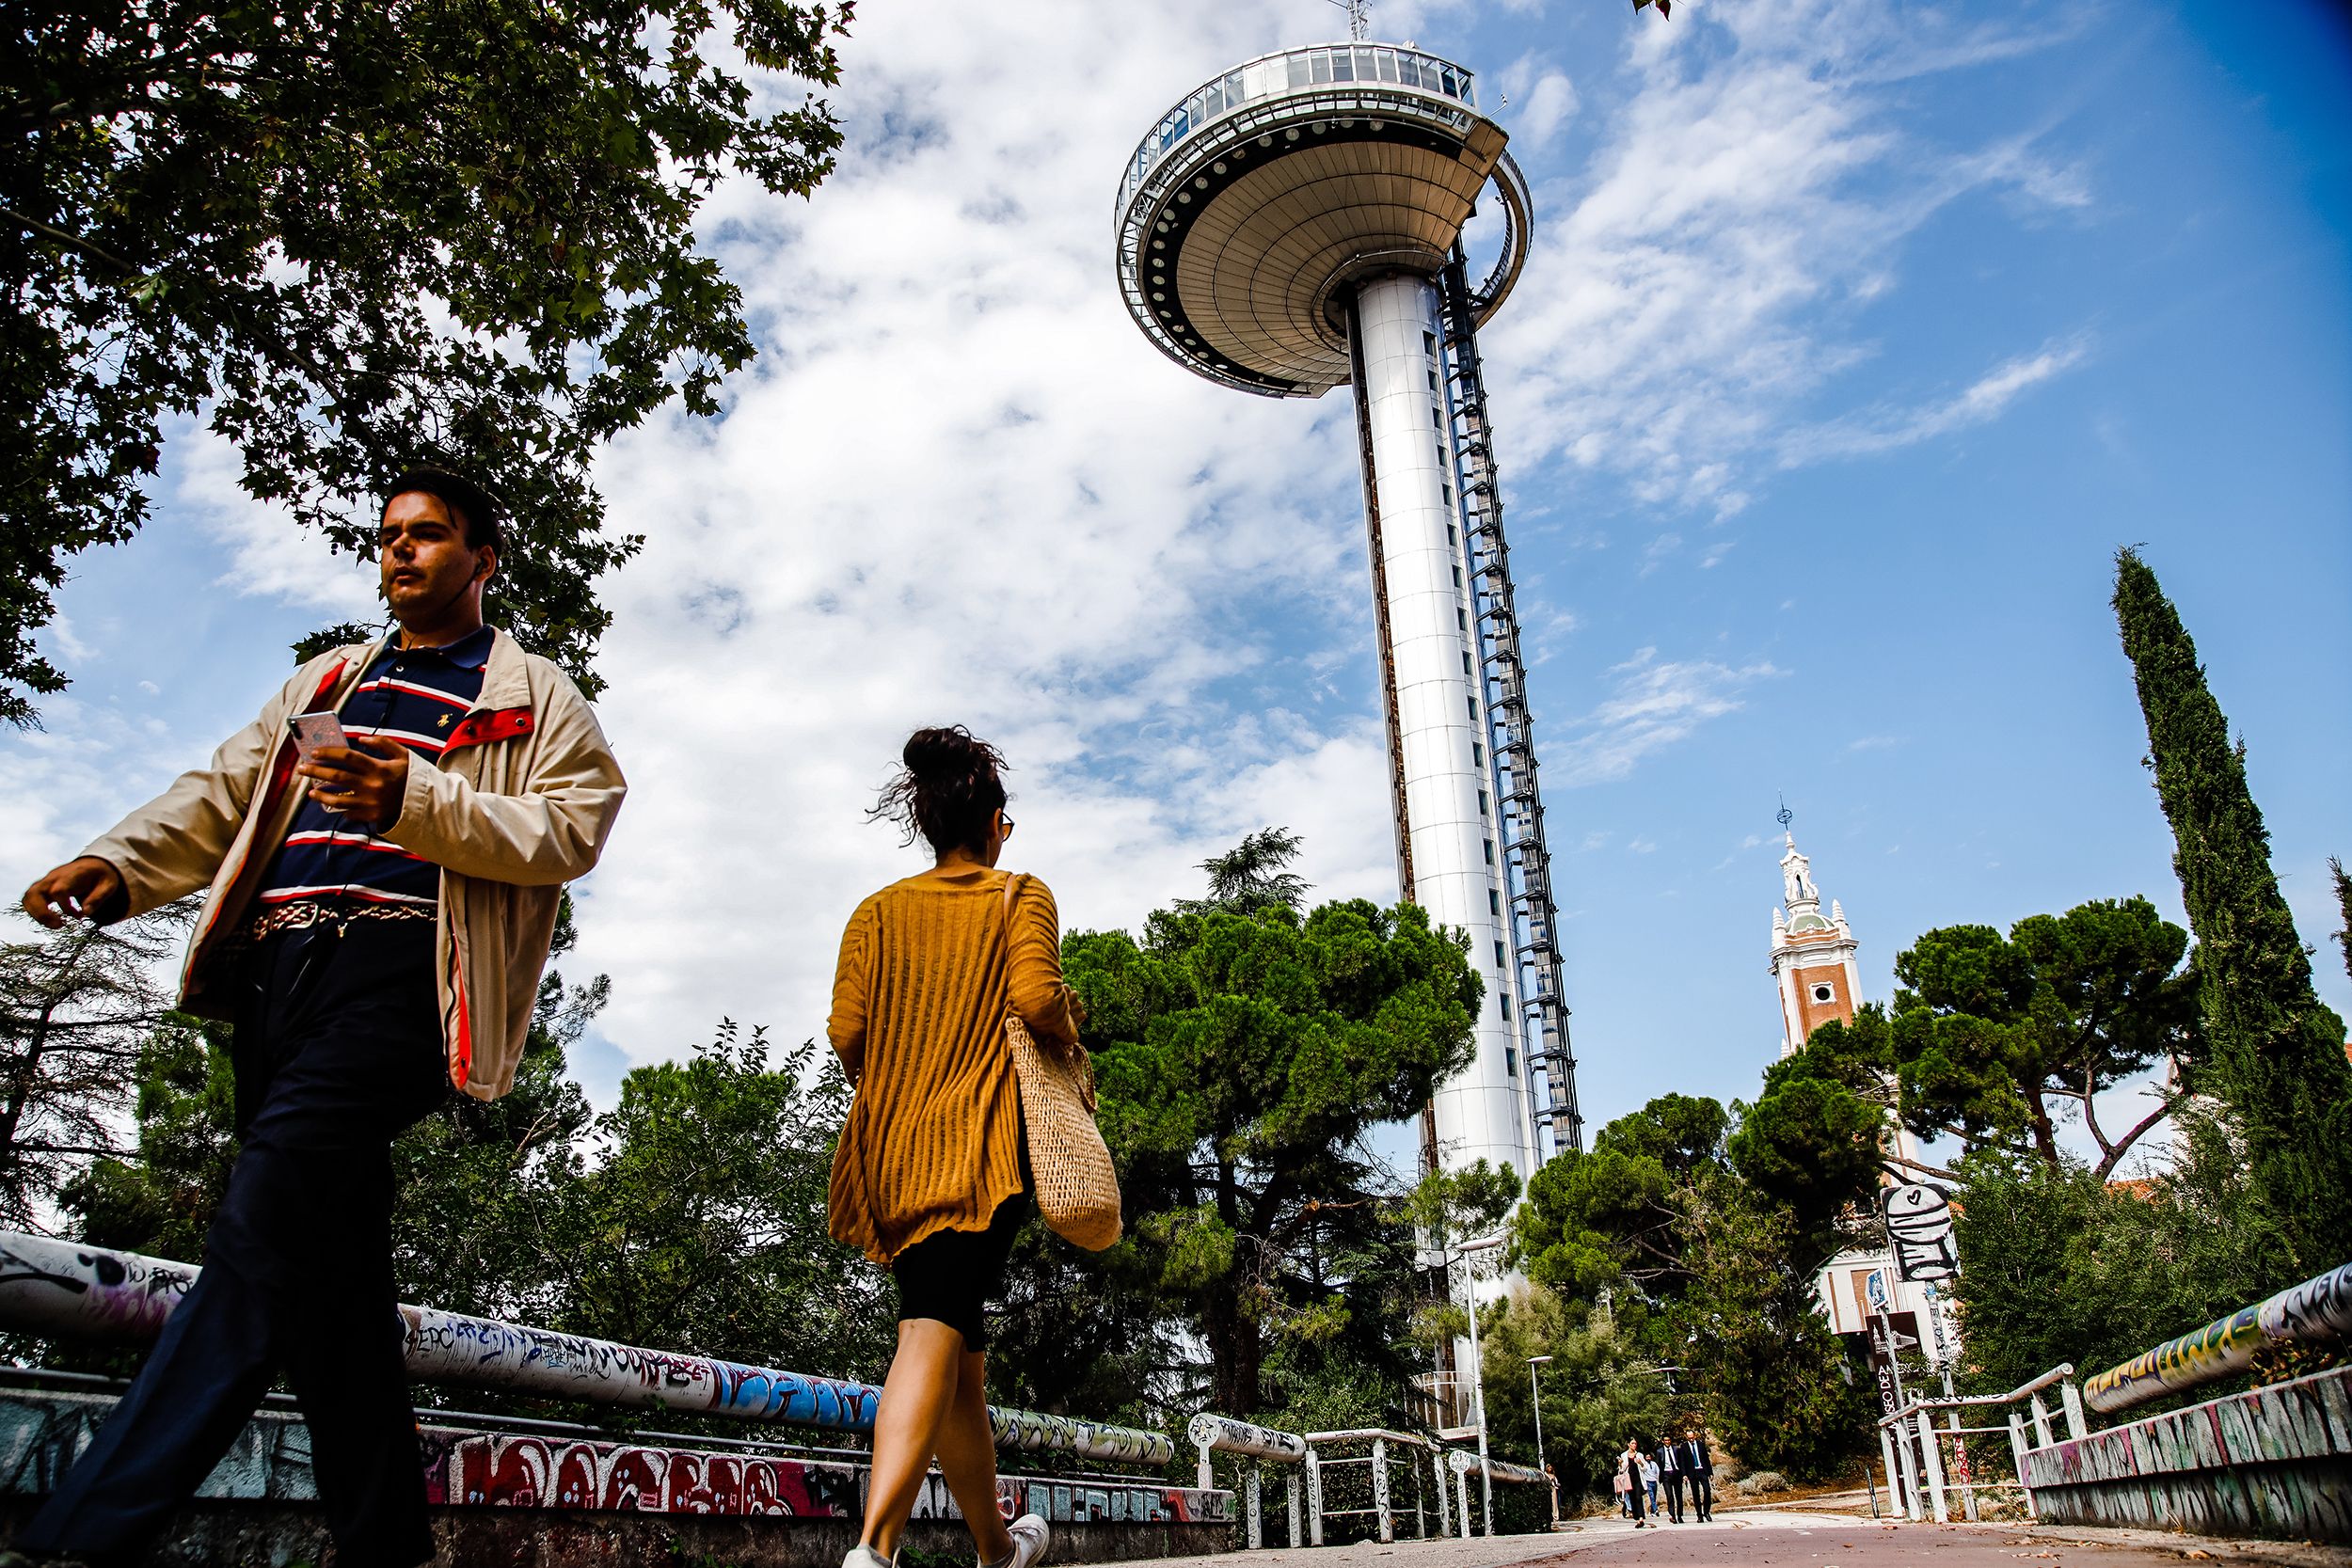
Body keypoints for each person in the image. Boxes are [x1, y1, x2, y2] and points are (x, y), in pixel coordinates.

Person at [12, 468, 627, 1568]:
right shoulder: (328, 679)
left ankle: (82, 1535)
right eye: (389, 535)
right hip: (277, 976)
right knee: (329, 1274)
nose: (401, 550)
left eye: (427, 534)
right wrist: (120, 861)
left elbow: (573, 826)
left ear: (482, 559)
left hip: (404, 976)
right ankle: (388, 1546)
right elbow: (223, 792)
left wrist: (412, 799)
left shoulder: (533, 693)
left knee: (258, 1227)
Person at [826, 727, 1084, 1568]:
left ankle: (996, 1550)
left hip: (891, 1155)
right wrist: (1072, 1025)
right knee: (931, 1325)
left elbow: (847, 1032)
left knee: (960, 1354)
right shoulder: (1020, 894)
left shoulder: (874, 913)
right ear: (994, 823)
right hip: (979, 1151)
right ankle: (873, 1549)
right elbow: (1037, 996)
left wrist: (905, 1075)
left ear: (928, 820)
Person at [1679, 1430, 1716, 1522]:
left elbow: (1706, 1459)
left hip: (1702, 1470)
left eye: (1692, 1437)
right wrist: (1684, 1474)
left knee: (1707, 1490)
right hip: (1692, 1472)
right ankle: (1699, 1515)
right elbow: (1682, 1462)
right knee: (1696, 1494)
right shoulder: (1684, 1447)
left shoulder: (1700, 1444)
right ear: (1686, 1437)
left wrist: (1710, 1472)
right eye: (1689, 1438)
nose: (1691, 1439)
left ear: (1695, 1436)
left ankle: (1706, 1512)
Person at [1619, 1438, 1647, 1528]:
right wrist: (1620, 1464)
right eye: (1632, 1443)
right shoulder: (1623, 1455)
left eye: (1635, 1443)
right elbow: (1621, 1470)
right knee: (1632, 1499)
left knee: (1638, 1498)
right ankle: (1637, 1518)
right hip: (1628, 1480)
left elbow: (1645, 1468)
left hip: (1638, 1479)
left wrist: (1641, 1463)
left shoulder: (1639, 1455)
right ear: (1628, 1444)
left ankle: (1641, 1518)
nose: (1634, 1445)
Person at [1660, 1430, 1687, 1523]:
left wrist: (1683, 1474)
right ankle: (1672, 1515)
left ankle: (1680, 1515)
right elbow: (1659, 1465)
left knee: (1679, 1496)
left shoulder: (1676, 1449)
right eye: (1665, 1440)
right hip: (1666, 1475)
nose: (1667, 1442)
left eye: (1668, 1440)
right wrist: (1660, 1477)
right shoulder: (1660, 1451)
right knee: (1669, 1496)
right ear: (1663, 1441)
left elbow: (1682, 1462)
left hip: (1676, 1474)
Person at [1643, 1447, 1661, 1514]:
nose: (1648, 1458)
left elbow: (1658, 1471)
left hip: (1654, 1481)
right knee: (1651, 1496)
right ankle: (1656, 1510)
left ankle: (1652, 1511)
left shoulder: (1654, 1464)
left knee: (1654, 1496)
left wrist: (1658, 1478)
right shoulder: (1644, 1464)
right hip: (1648, 1481)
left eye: (1649, 1457)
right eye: (1647, 1457)